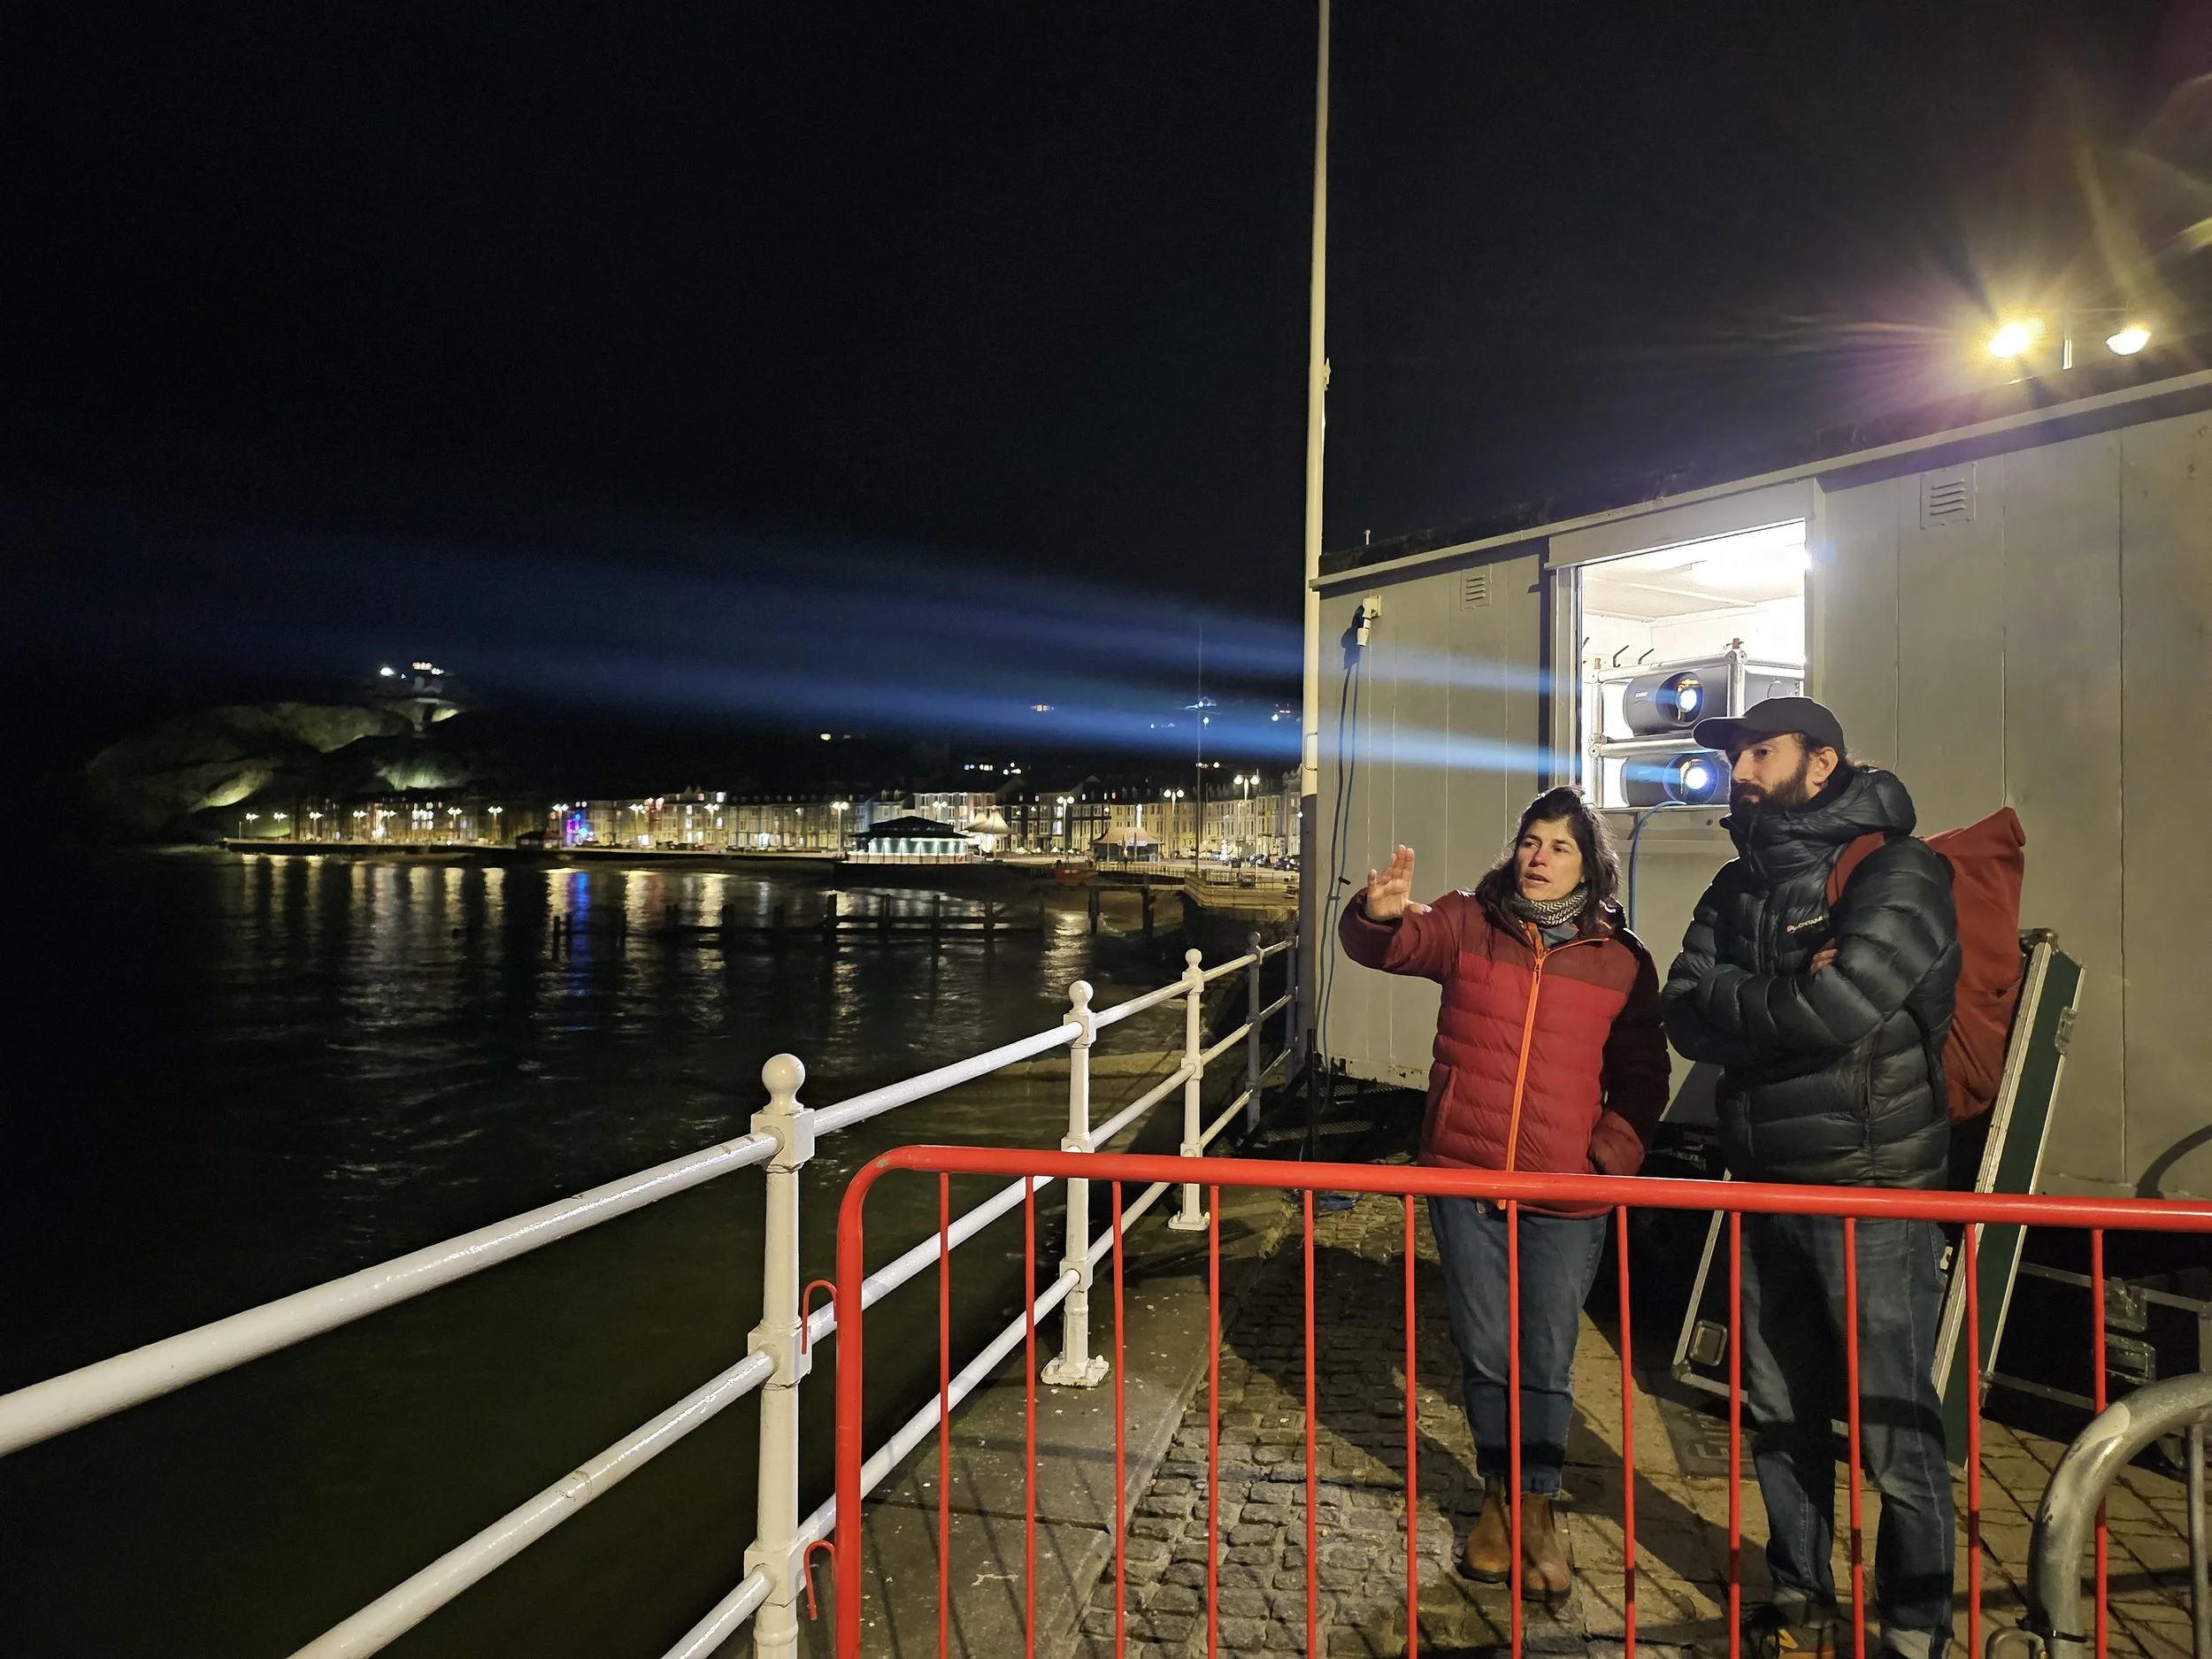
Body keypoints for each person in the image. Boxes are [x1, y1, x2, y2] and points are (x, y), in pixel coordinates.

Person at [1660, 697, 1962, 1659]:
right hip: (1762, 1183)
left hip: (1870, 1190)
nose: (1739, 772)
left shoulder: (1899, 871)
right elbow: (1682, 1011)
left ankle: (1913, 1625)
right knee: (1778, 1412)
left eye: (1759, 751)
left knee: (1893, 1429)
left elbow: (1841, 1005)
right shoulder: (1733, 883)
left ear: (1820, 762)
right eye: (1734, 755)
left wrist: (1747, 1001)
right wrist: (1784, 988)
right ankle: (1798, 1590)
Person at [1340, 785, 1669, 1599]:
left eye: (1560, 845)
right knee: (1488, 1353)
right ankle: (1495, 1500)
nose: (1540, 855)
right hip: (1466, 1178)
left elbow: (1641, 1079)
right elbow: (1390, 946)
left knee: (1546, 1359)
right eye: (1531, 840)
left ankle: (1539, 1508)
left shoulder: (1621, 960)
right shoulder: (1466, 920)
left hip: (1567, 1192)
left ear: (1591, 864)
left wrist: (1606, 1159)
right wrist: (1375, 913)